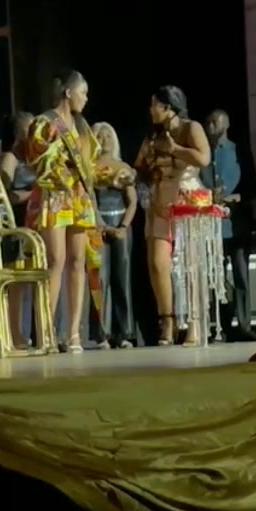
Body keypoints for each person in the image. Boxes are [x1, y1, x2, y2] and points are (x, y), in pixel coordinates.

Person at [26, 70, 133, 353]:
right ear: (68, 92)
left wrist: (112, 178)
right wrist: (61, 164)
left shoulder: (83, 127)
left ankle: (73, 333)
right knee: (55, 260)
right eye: (83, 93)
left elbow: (90, 168)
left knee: (77, 261)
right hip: (56, 196)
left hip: (80, 199)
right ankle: (46, 332)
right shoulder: (45, 122)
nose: (86, 99)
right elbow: (37, 161)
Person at [134, 86, 211, 346]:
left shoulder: (191, 128)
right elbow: (140, 168)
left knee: (190, 265)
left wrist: (175, 148)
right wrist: (140, 189)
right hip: (159, 200)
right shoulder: (152, 135)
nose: (151, 110)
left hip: (187, 197)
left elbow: (203, 159)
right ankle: (167, 321)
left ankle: (194, 324)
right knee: (158, 264)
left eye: (155, 104)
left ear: (169, 107)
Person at [200, 109, 256, 341]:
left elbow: (252, 188)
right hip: (211, 226)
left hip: (237, 222)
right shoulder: (203, 155)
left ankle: (244, 324)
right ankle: (220, 325)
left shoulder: (238, 151)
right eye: (208, 123)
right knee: (216, 277)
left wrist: (236, 198)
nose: (211, 126)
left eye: (215, 122)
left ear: (227, 123)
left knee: (242, 274)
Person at [92, 122, 137, 348]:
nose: (105, 140)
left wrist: (123, 227)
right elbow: (89, 201)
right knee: (99, 281)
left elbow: (132, 201)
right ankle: (102, 334)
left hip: (121, 226)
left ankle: (125, 333)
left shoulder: (123, 167)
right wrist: (102, 226)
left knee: (122, 279)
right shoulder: (89, 168)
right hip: (97, 226)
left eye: (109, 135)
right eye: (100, 136)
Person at [0, 111, 36, 348]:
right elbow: (3, 196)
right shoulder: (9, 158)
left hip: (32, 226)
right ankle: (13, 333)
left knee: (27, 283)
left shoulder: (33, 159)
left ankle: (25, 331)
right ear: (17, 132)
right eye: (29, 128)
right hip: (15, 226)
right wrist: (34, 194)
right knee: (15, 284)